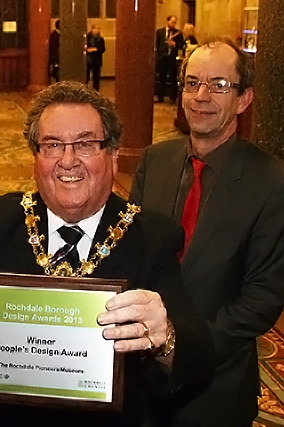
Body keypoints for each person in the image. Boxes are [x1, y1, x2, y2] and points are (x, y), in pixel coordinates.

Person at [0, 81, 214, 426]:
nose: (68, 160)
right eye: (52, 145)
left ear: (114, 155)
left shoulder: (151, 235)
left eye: (86, 144)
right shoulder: (2, 221)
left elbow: (197, 354)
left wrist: (164, 338)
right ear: (36, 158)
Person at [130, 40, 284, 427]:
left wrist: (180, 348)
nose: (201, 96)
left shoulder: (272, 181)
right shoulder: (155, 160)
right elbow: (129, 252)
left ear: (244, 99)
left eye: (219, 85)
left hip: (216, 387)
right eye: (192, 82)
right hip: (139, 381)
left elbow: (262, 298)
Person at [156, 15, 184, 103]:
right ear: (167, 21)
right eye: (172, 22)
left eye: (175, 22)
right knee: (162, 78)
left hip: (172, 58)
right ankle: (160, 97)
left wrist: (174, 44)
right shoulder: (160, 32)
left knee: (173, 78)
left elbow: (182, 45)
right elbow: (156, 44)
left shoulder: (178, 33)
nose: (173, 24)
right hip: (162, 57)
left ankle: (173, 98)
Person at [86, 24, 106, 91]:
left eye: (97, 29)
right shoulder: (87, 37)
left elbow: (103, 49)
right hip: (88, 59)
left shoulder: (100, 39)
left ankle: (96, 91)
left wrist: (95, 49)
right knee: (86, 76)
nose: (95, 30)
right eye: (94, 29)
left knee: (96, 77)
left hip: (96, 60)